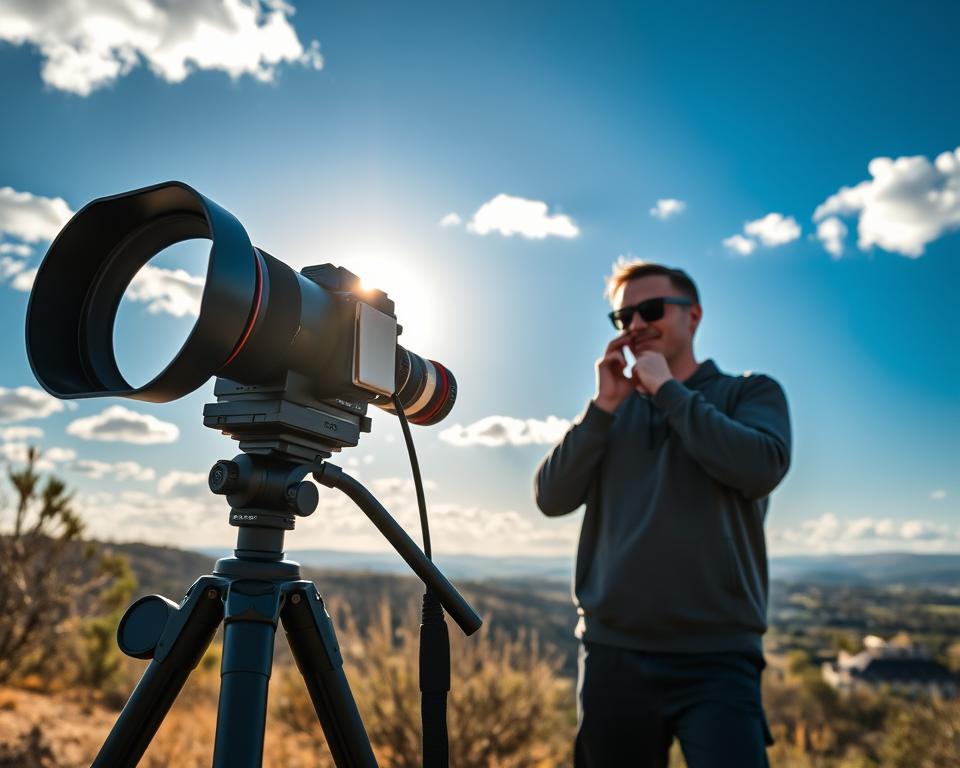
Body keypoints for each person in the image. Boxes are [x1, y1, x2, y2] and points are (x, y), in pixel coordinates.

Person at [534, 260, 791, 767]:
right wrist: (603, 405)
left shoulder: (749, 393)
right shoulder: (612, 413)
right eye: (622, 317)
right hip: (614, 656)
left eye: (650, 309)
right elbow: (551, 497)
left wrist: (669, 392)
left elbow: (760, 466)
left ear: (692, 316)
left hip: (719, 659)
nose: (634, 325)